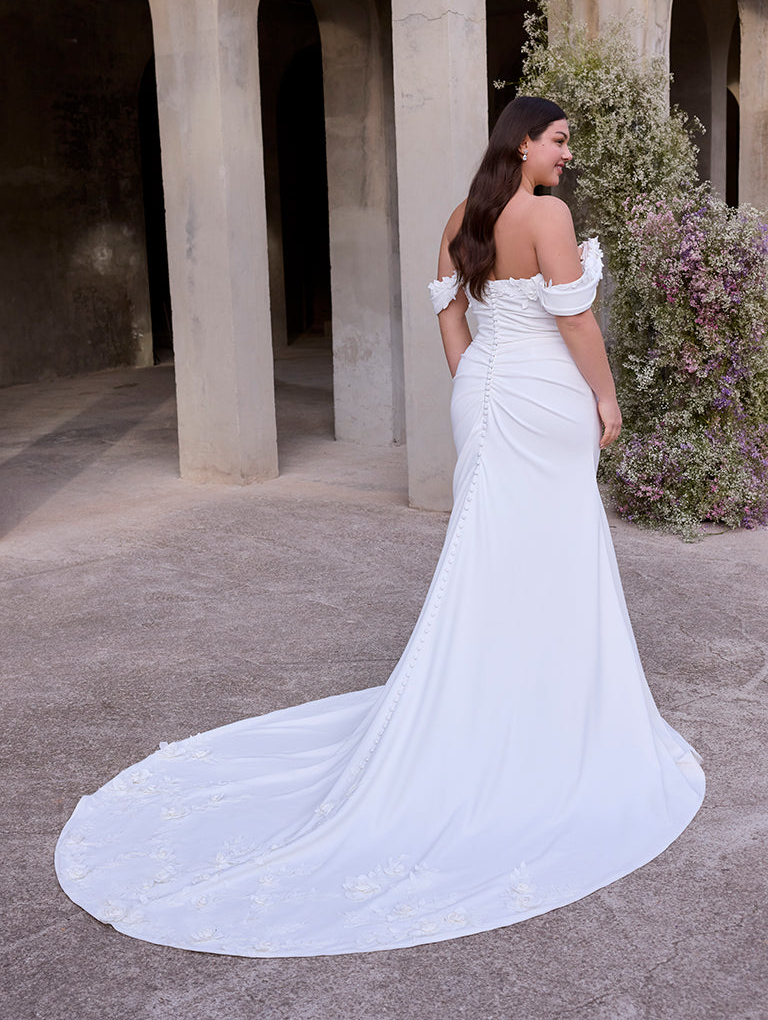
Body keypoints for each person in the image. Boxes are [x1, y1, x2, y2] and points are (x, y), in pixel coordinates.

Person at [55, 96, 704, 959]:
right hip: (545, 396)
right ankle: (546, 712)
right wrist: (608, 396)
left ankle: (500, 695)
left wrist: (473, 382)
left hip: (485, 393)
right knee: (547, 552)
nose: (567, 156)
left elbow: (450, 314)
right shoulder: (546, 214)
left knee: (492, 552)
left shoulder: (462, 217)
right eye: (559, 140)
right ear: (522, 141)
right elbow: (577, 319)